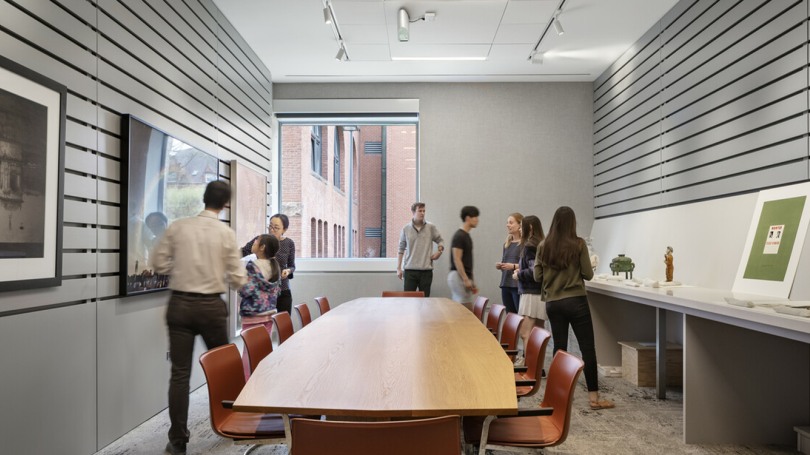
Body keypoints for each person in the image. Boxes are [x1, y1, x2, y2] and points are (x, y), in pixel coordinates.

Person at [153, 180, 247, 455]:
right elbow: (238, 278)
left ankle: (178, 441)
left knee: (180, 374)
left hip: (179, 305)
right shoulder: (225, 232)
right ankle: (233, 423)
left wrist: (181, 266)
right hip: (210, 307)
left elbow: (158, 263)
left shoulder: (178, 226)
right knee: (224, 368)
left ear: (203, 198)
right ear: (225, 203)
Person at [534, 206, 614, 411]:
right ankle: (594, 399)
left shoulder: (544, 245)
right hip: (576, 302)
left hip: (554, 303)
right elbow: (588, 274)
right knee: (588, 349)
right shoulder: (579, 244)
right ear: (572, 223)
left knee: (559, 349)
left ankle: (557, 398)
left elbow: (537, 276)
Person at [242, 214, 295, 314]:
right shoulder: (261, 240)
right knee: (265, 324)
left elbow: (292, 265)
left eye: (276, 228)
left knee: (284, 324)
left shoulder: (289, 243)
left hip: (282, 289)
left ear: (284, 230)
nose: (272, 230)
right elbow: (244, 251)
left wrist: (288, 271)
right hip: (263, 291)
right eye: (270, 226)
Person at [513, 215, 546, 368]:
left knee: (525, 333)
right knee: (539, 334)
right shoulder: (541, 243)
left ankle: (530, 367)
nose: (520, 229)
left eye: (522, 226)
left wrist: (518, 274)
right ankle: (538, 368)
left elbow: (534, 272)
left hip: (532, 293)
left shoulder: (530, 245)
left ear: (530, 227)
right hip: (541, 293)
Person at [397, 202, 445, 296]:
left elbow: (441, 240)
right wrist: (398, 268)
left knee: (425, 302)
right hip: (410, 270)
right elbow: (401, 249)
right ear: (413, 212)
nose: (422, 213)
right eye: (420, 211)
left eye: (424, 211)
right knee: (408, 301)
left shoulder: (431, 227)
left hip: (426, 271)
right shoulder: (406, 229)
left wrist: (439, 251)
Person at [448, 206, 479, 312]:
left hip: (463, 275)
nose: (477, 219)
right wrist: (465, 279)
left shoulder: (467, 236)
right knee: (466, 310)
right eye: (475, 217)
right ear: (468, 218)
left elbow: (468, 260)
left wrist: (471, 279)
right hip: (458, 275)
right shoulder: (459, 236)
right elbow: (457, 259)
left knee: (464, 309)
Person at [496, 213, 523, 313]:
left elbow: (529, 266)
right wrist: (502, 266)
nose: (508, 225)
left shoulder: (525, 244)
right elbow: (505, 262)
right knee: (510, 317)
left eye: (511, 223)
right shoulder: (507, 244)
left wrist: (513, 266)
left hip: (517, 286)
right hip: (505, 284)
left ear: (520, 225)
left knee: (519, 317)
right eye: (507, 223)